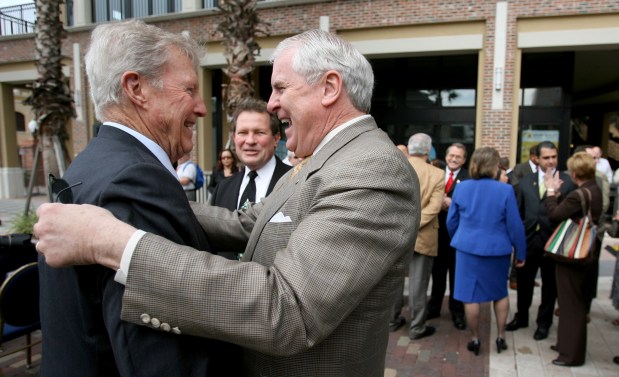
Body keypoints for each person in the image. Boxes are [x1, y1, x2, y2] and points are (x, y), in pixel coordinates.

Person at [34, 29, 421, 377]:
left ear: (329, 87)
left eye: (281, 88)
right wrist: (156, 200)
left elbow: (288, 310)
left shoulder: (371, 171)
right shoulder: (324, 161)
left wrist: (114, 243)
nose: (270, 105)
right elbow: (248, 224)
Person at [37, 20, 234, 376]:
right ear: (137, 88)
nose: (201, 107)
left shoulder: (90, 163)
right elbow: (162, 361)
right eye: (189, 89)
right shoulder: (135, 181)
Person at [446, 147, 526, 356]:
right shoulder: (505, 190)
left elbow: (451, 221)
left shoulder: (461, 188)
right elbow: (515, 226)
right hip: (497, 250)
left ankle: (475, 339)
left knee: (470, 297)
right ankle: (500, 337)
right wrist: (521, 252)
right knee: (499, 293)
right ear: (495, 167)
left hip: (467, 250)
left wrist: (461, 236)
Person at [506, 141, 575, 340]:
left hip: (552, 241)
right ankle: (521, 317)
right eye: (546, 157)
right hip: (528, 242)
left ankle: (543, 323)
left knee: (549, 285)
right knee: (524, 283)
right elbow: (519, 212)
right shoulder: (526, 181)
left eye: (554, 156)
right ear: (537, 159)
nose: (551, 161)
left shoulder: (567, 182)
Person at [545, 151, 602, 366]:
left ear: (576, 173)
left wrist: (551, 192)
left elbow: (555, 215)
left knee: (570, 305)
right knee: (574, 301)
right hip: (586, 252)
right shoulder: (594, 189)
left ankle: (571, 355)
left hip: (572, 255)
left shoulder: (578, 194)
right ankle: (566, 345)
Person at [390, 133, 443, 340]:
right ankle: (416, 327)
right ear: (428, 151)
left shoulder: (395, 167)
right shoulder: (436, 174)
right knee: (418, 285)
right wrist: (414, 224)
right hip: (424, 236)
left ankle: (392, 321)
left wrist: (403, 224)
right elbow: (434, 208)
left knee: (394, 283)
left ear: (410, 149)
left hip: (395, 235)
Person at [210, 97, 291, 212]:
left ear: (276, 138)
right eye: (243, 133)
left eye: (259, 133)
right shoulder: (222, 189)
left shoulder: (297, 181)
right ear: (234, 138)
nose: (250, 141)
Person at [427, 142, 468, 330]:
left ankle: (456, 311)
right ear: (446, 156)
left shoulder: (468, 178)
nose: (453, 159)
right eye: (451, 155)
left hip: (458, 235)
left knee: (457, 275)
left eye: (458, 156)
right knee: (438, 273)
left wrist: (454, 202)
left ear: (464, 159)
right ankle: (434, 307)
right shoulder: (436, 173)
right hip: (437, 233)